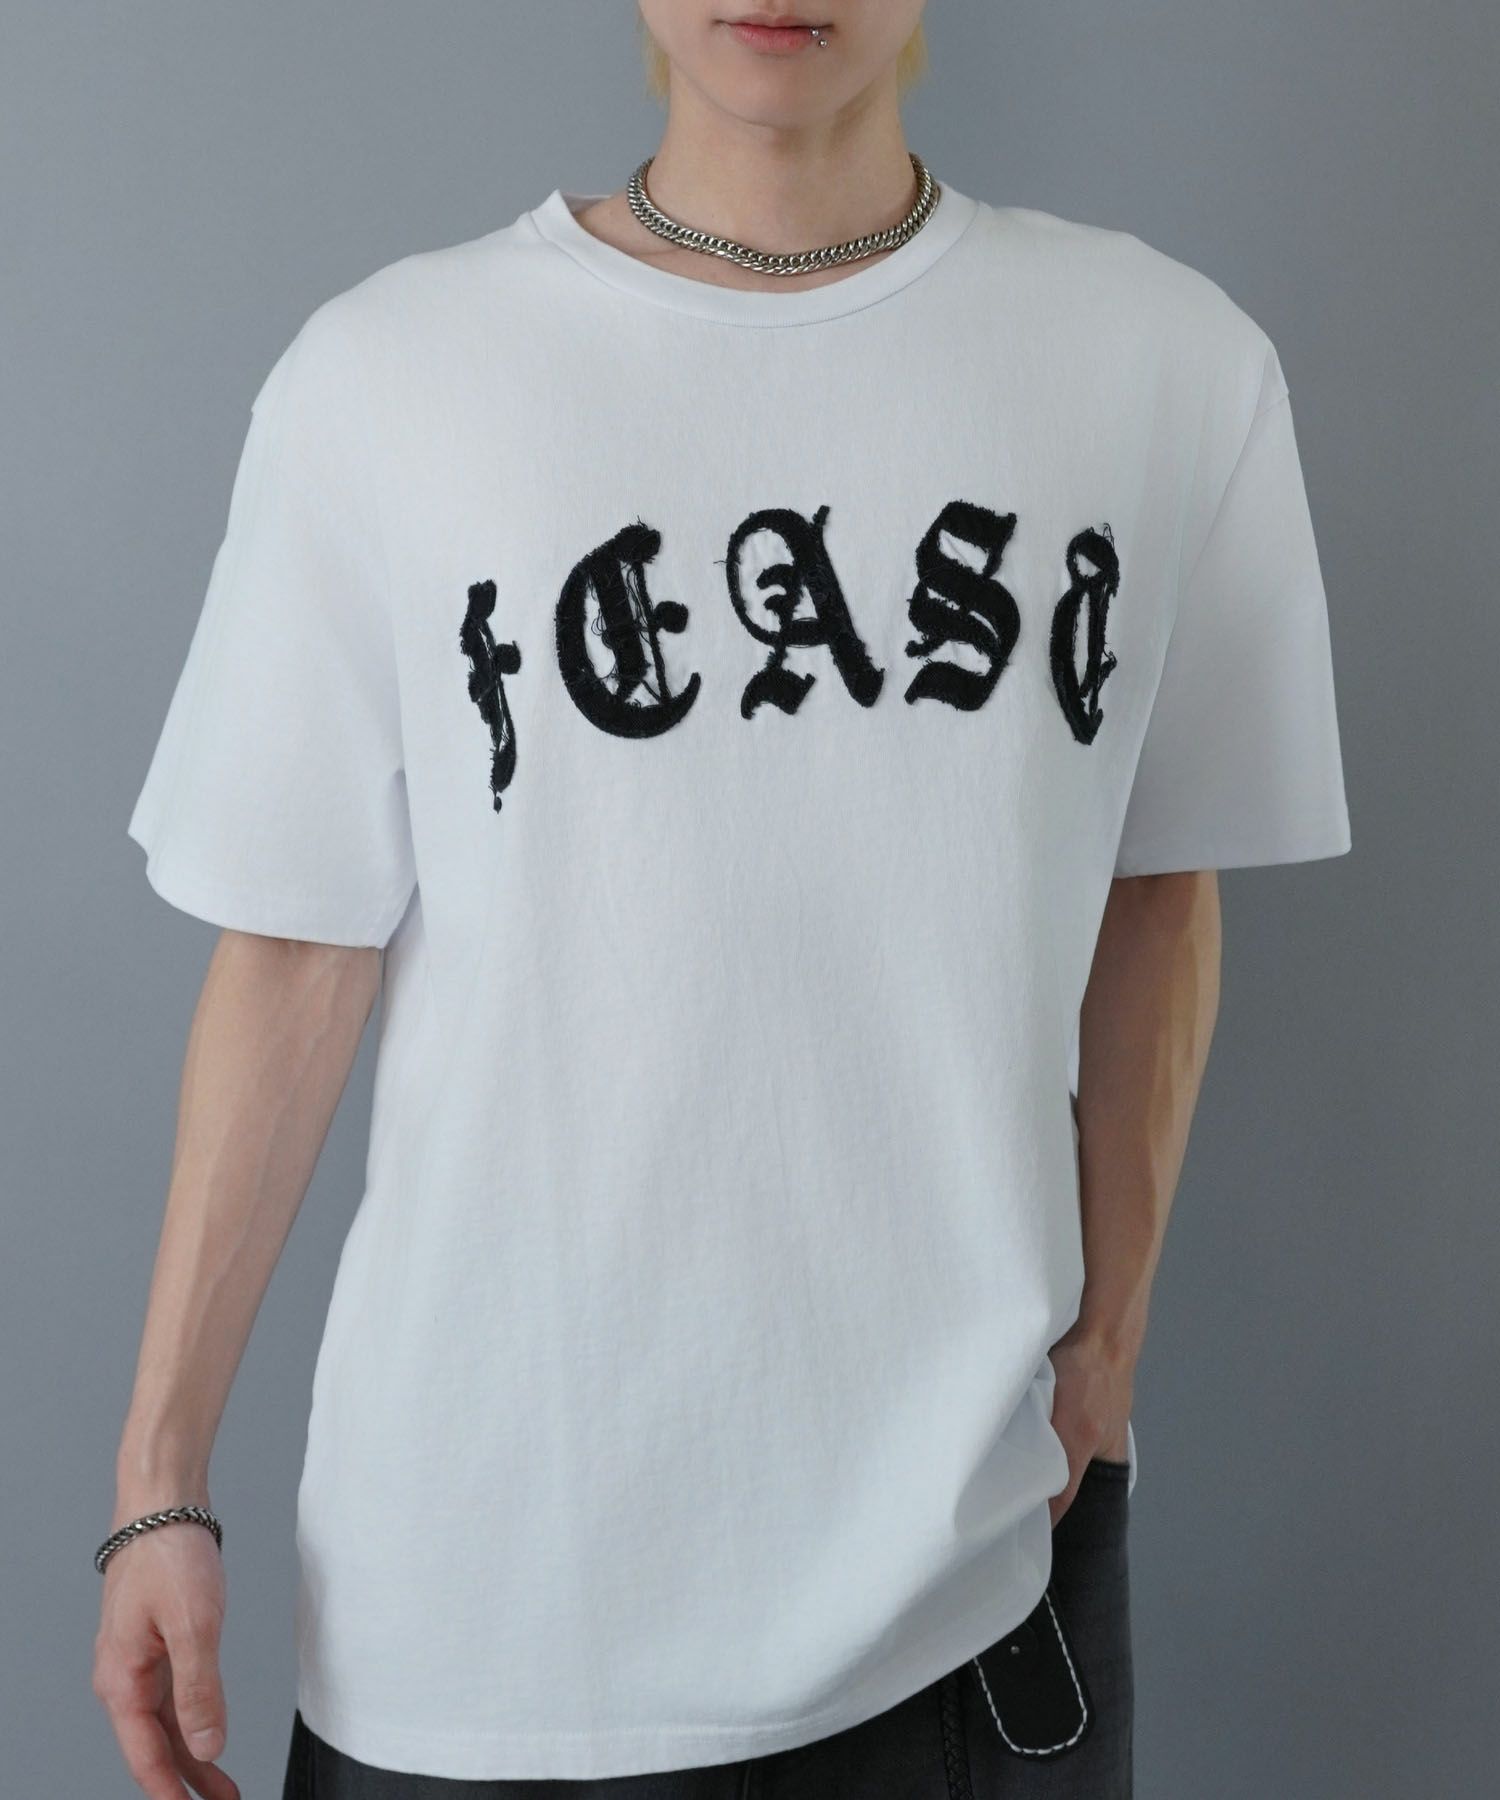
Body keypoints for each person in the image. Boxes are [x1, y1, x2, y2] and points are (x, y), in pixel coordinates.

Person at [92, 4, 1353, 1797]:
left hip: (971, 1580)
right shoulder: (389, 375)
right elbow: (296, 953)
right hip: (484, 1606)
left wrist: (1110, 1343)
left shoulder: (1164, 360)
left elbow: (1160, 889)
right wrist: (159, 1481)